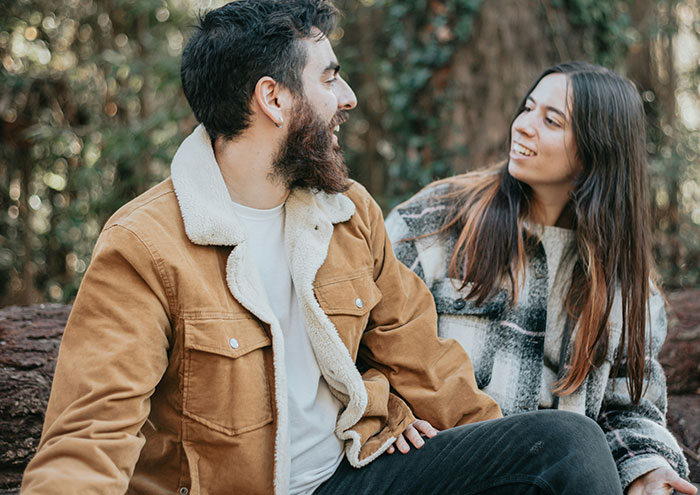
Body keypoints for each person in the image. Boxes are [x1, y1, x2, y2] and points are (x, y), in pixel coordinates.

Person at [22, 3, 624, 493]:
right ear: (274, 99)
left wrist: (494, 458)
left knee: (567, 447)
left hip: (349, 478)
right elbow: (89, 440)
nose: (349, 98)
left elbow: (426, 364)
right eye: (331, 77)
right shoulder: (145, 246)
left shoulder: (348, 213)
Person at [387, 61, 697, 495]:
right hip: (432, 464)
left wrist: (647, 469)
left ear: (596, 149)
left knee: (575, 442)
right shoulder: (438, 222)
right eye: (528, 108)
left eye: (551, 121)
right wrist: (384, 408)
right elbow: (360, 336)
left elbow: (629, 408)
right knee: (573, 438)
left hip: (547, 483)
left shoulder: (626, 286)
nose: (523, 126)